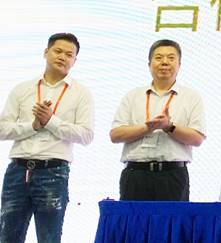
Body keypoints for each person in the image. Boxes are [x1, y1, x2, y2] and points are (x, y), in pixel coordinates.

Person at [0, 33, 93, 243]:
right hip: (17, 171)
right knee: (7, 236)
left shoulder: (81, 93)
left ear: (75, 61)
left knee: (49, 238)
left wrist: (51, 121)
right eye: (58, 51)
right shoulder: (22, 89)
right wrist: (33, 126)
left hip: (54, 172)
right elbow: (2, 129)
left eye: (69, 55)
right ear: (46, 52)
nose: (62, 57)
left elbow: (86, 135)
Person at [110, 39, 205, 201]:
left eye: (171, 58)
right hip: (135, 175)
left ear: (179, 64)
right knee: (134, 219)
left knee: (172, 218)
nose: (164, 62)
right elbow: (115, 135)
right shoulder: (133, 96)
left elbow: (197, 139)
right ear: (149, 64)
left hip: (173, 176)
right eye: (159, 57)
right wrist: (148, 128)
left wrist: (169, 127)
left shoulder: (191, 97)